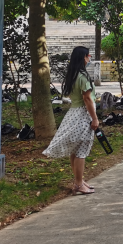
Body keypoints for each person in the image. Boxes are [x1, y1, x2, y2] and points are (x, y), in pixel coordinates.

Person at [43, 46, 99, 195]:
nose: (89, 58)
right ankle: (79, 184)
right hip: (83, 115)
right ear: (83, 57)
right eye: (88, 56)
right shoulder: (83, 76)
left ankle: (78, 181)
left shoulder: (72, 75)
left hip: (73, 114)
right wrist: (94, 118)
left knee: (75, 150)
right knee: (81, 150)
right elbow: (87, 99)